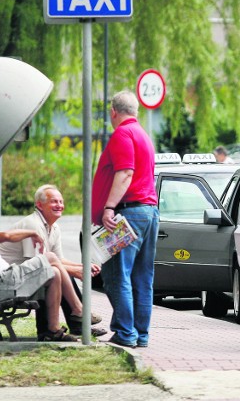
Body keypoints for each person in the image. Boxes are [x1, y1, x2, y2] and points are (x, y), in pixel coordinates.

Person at [0, 197, 79, 341]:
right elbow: (6, 236)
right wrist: (32, 233)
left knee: (54, 273)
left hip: (3, 284)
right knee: (50, 257)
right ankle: (78, 309)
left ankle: (53, 330)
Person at [91, 90, 160, 348]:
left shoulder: (122, 133)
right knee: (142, 277)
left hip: (128, 212)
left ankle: (125, 333)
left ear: (113, 112)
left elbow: (125, 172)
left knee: (116, 275)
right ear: (136, 112)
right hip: (148, 211)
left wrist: (109, 207)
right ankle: (141, 335)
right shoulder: (143, 135)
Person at [0, 184, 106, 337]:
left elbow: (58, 259)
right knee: (57, 274)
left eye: (61, 202)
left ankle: (79, 324)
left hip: (25, 274)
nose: (59, 205)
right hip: (9, 281)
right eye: (54, 201)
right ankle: (78, 316)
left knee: (62, 273)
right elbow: (38, 264)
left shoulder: (54, 227)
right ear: (39, 205)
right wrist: (75, 271)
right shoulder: (32, 224)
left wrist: (83, 266)